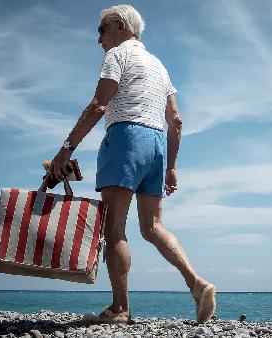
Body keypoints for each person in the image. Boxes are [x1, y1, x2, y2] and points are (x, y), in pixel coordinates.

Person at [49, 4, 216, 324]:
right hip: (156, 146)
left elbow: (98, 106)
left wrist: (66, 150)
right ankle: (197, 283)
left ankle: (120, 310)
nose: (98, 38)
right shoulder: (159, 66)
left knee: (114, 230)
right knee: (153, 227)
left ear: (120, 25)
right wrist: (170, 167)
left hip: (126, 139)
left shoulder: (117, 56)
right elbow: (176, 121)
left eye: (101, 29)